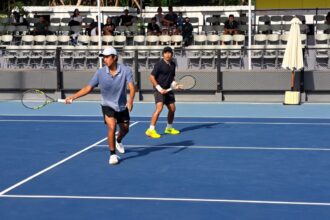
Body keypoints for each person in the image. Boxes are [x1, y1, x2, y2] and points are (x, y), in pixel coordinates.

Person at [65, 46, 136, 165]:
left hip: (122, 105)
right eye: (103, 57)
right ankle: (112, 154)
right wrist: (73, 96)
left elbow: (132, 87)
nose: (104, 59)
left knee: (125, 129)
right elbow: (88, 88)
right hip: (107, 104)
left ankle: (118, 140)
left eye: (107, 57)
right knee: (112, 126)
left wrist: (131, 101)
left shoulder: (126, 71)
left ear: (115, 58)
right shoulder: (100, 72)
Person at [145, 47, 181, 139]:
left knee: (172, 109)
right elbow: (152, 77)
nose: (167, 54)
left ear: (172, 54)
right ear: (163, 54)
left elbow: (171, 78)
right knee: (159, 108)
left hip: (168, 90)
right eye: (166, 53)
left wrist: (175, 85)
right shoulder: (159, 64)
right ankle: (151, 130)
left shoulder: (173, 64)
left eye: (169, 53)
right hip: (159, 90)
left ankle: (169, 128)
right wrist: (159, 88)